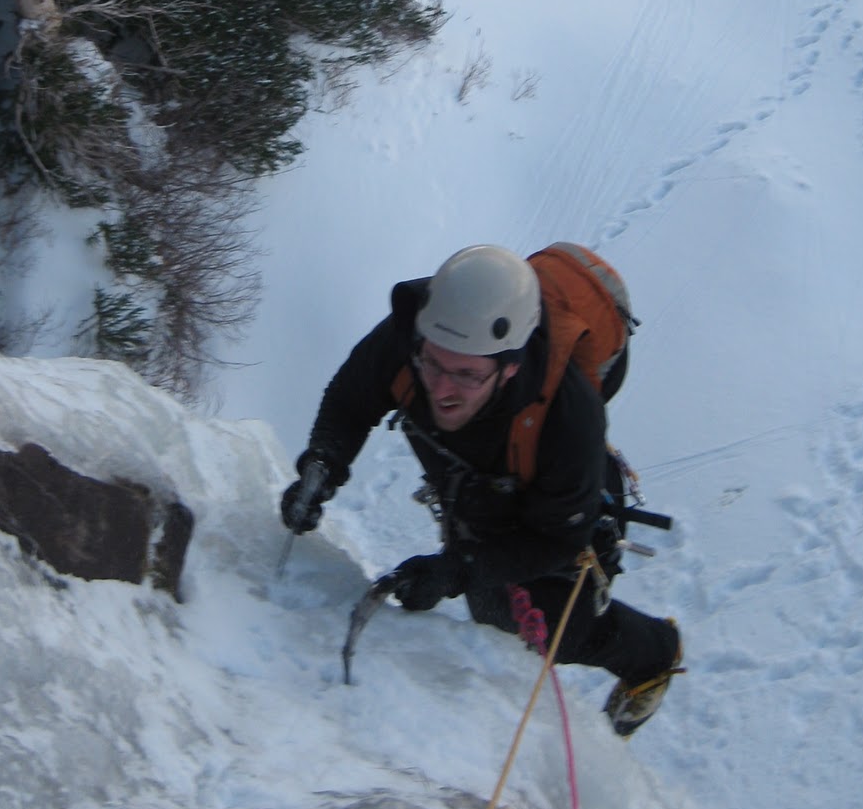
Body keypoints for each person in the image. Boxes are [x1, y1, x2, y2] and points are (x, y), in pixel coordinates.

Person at [280, 243, 682, 735]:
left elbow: (556, 541)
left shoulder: (568, 416)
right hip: (476, 497)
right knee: (490, 610)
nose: (441, 388)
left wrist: (456, 570)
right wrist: (323, 463)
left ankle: (654, 655)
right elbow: (350, 399)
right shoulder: (412, 337)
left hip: (560, 518)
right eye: (432, 365)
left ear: (511, 365)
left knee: (545, 628)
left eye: (467, 375)